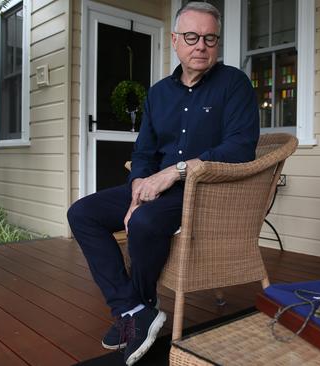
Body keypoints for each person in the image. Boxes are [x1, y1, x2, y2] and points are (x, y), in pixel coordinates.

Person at [66, 2, 259, 365]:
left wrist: (174, 172)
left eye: (209, 38)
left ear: (217, 43)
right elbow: (144, 152)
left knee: (143, 222)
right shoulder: (158, 93)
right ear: (175, 40)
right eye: (191, 36)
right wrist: (139, 186)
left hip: (203, 190)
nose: (200, 45)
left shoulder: (234, 84)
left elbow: (240, 148)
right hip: (156, 185)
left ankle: (138, 310)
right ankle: (133, 309)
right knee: (82, 213)